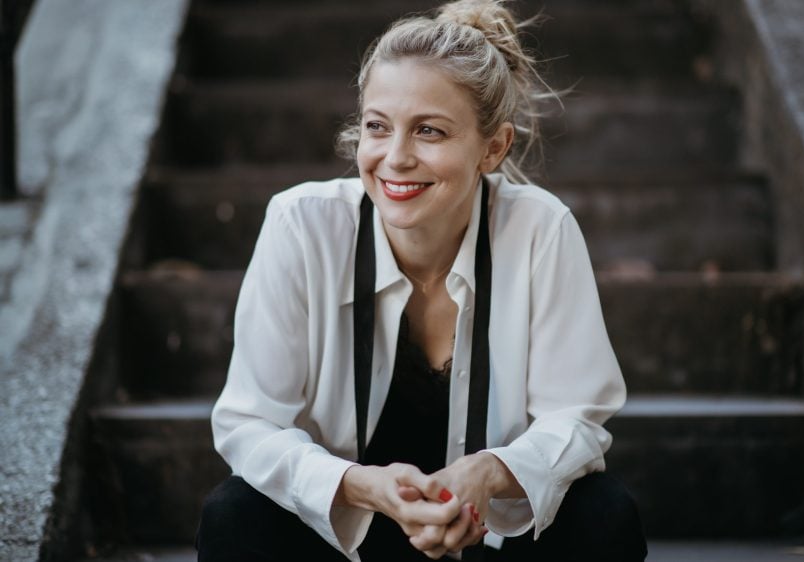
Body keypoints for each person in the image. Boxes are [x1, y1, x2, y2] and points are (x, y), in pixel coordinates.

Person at [195, 0, 648, 560]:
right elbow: (249, 423)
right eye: (377, 127)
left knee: (605, 514)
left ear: (494, 147)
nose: (396, 157)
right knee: (233, 515)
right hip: (350, 542)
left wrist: (492, 471)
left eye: (429, 131)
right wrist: (361, 486)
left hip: (486, 537)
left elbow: (577, 418)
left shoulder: (539, 228)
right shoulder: (301, 225)